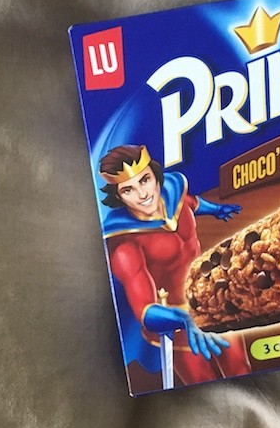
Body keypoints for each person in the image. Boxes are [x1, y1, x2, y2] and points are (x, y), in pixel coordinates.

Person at [99, 144, 251, 387]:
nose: (143, 194)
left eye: (145, 180)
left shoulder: (171, 193)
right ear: (118, 197)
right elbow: (145, 311)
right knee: (205, 386)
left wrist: (216, 209)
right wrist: (185, 319)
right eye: (128, 189)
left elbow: (190, 202)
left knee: (242, 369)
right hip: (176, 322)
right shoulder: (124, 247)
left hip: (212, 301)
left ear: (155, 175)